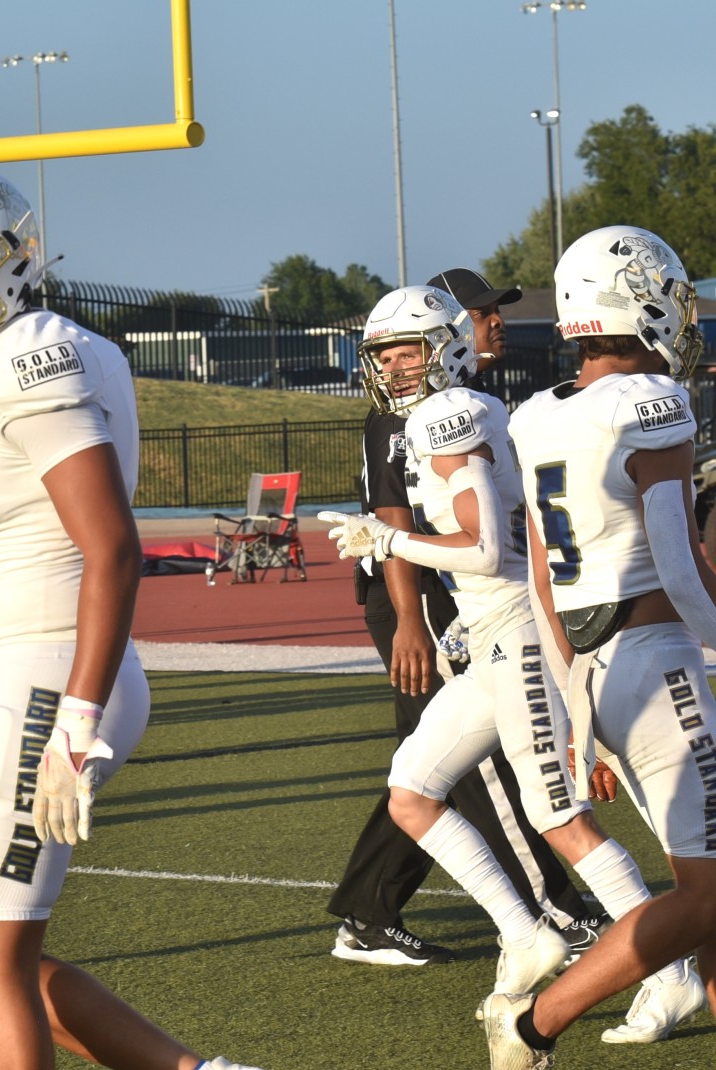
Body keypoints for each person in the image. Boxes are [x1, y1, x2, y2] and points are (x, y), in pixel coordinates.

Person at [0, 166, 260, 1070]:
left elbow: (110, 548)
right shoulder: (13, 351)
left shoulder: (23, 355)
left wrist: (75, 722)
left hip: (55, 676)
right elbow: (13, 542)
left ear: (7, 264)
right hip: (28, 662)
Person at [322, 283, 703, 1039]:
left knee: (558, 817)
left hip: (515, 629)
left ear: (447, 347)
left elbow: (491, 549)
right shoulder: (462, 411)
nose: (393, 370)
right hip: (492, 632)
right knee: (412, 788)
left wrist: (387, 541)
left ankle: (671, 972)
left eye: (406, 353)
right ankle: (526, 932)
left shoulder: (449, 415)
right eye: (383, 357)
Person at [484, 226, 716, 1065]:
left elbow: (546, 578)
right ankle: (536, 1021)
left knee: (705, 879)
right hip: (658, 661)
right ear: (637, 298)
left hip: (600, 667)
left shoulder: (538, 413)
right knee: (709, 894)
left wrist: (579, 707)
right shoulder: (651, 403)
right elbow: (683, 563)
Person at [324, 269, 602, 967]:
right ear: (451, 329)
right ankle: (557, 909)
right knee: (476, 770)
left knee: (428, 767)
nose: (497, 323)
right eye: (483, 314)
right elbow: (394, 520)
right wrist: (412, 616)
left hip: (466, 591)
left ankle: (369, 908)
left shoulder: (467, 403)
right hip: (433, 595)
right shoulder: (413, 413)